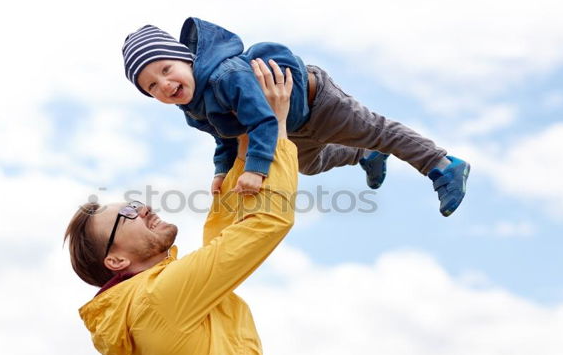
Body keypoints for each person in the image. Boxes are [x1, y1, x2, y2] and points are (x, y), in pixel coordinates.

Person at [65, 59, 297, 355]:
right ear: (116, 261)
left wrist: (244, 149)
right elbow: (265, 223)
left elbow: (223, 239)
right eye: (126, 215)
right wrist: (277, 129)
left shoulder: (159, 296)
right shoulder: (155, 299)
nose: (142, 210)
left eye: (135, 203)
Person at [121, 18, 470, 216]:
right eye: (151, 86)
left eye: (166, 69)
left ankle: (441, 163)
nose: (164, 84)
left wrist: (256, 171)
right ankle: (364, 156)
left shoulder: (226, 75)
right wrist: (222, 171)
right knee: (308, 165)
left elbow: (261, 122)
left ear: (186, 59)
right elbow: (225, 137)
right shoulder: (193, 109)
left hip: (317, 102)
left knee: (376, 131)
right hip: (290, 126)